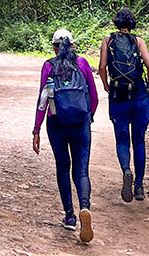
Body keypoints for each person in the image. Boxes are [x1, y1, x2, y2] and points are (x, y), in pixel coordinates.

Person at [32, 28, 99, 243]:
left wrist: (36, 130)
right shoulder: (83, 64)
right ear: (72, 46)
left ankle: (69, 216)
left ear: (54, 47)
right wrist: (87, 118)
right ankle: (85, 207)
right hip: (80, 123)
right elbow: (94, 97)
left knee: (63, 166)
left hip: (57, 124)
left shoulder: (48, 66)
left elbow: (43, 102)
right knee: (81, 169)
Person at [98, 7, 149, 202]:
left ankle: (126, 171)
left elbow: (102, 67)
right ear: (132, 24)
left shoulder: (108, 40)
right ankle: (139, 186)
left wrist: (106, 86)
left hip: (118, 95)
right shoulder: (138, 41)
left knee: (122, 139)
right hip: (138, 95)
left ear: (116, 23)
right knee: (139, 140)